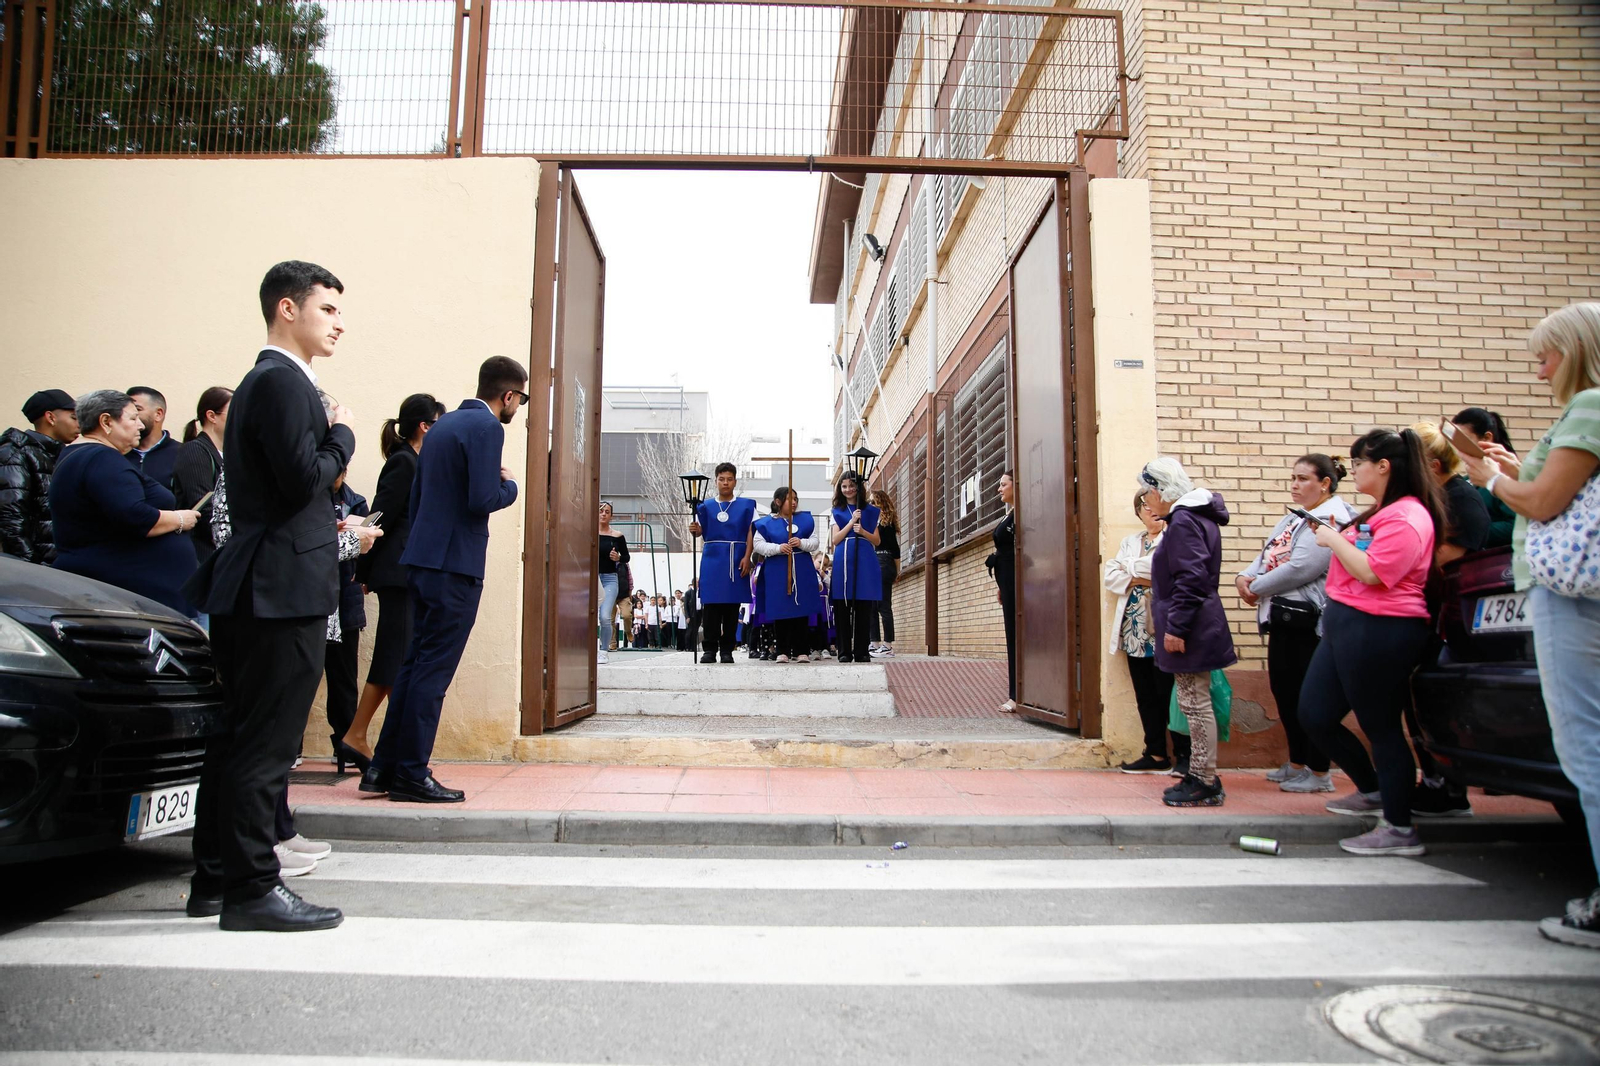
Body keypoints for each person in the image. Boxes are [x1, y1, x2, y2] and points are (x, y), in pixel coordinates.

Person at [183, 260, 356, 933]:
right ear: (288, 309)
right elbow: (299, 481)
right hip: (279, 588)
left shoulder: (263, 383)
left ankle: (215, 878)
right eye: (329, 309)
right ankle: (253, 887)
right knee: (266, 743)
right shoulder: (284, 383)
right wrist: (341, 434)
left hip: (258, 580)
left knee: (237, 738)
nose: (340, 323)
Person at [1458, 302, 1600, 948]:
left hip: (1568, 594)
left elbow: (1544, 504)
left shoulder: (1590, 407)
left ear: (1577, 350)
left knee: (1584, 746)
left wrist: (1492, 478)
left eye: (1546, 355)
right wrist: (1516, 469)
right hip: (1568, 593)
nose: (1539, 370)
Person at [362, 355, 526, 804]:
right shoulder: (488, 428)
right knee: (432, 674)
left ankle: (383, 768)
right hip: (456, 566)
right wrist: (509, 486)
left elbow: (418, 500)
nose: (519, 407)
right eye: (522, 399)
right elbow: (481, 498)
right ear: (507, 395)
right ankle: (412, 773)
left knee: (414, 666)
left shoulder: (442, 427)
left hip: (421, 562)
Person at [1299, 428, 1446, 857]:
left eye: (1359, 462)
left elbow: (1376, 573)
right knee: (1315, 713)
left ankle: (1399, 828)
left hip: (1380, 629)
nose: (1354, 470)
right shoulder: (1381, 511)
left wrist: (1333, 540)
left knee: (1381, 727)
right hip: (1347, 625)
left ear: (1384, 467)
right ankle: (1374, 789)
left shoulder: (1407, 516)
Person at [1236, 454, 1356, 793]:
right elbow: (1267, 554)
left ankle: (1320, 773)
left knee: (1308, 697)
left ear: (1325, 484)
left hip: (1311, 623)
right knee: (1286, 693)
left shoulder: (1332, 517)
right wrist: (1243, 576)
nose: (1294, 485)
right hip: (1285, 618)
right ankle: (1298, 762)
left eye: (1303, 479)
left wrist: (1255, 588)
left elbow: (1304, 565)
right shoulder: (1295, 519)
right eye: (1293, 477)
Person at [346, 393, 438, 769]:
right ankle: (359, 735)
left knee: (395, 656)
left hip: (403, 571)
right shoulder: (404, 462)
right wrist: (363, 568)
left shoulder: (414, 460)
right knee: (393, 656)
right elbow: (379, 513)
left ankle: (363, 736)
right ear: (424, 426)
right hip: (396, 573)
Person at [48, 389, 201, 616]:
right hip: (135, 601)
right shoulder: (101, 458)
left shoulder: (79, 454)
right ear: (106, 422)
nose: (140, 425)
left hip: (129, 593)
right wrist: (180, 518)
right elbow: (136, 517)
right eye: (132, 418)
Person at [1142, 457, 1237, 808]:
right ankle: (1201, 774)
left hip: (1191, 626)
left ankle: (1203, 780)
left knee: (1195, 704)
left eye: (1147, 494)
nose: (1147, 502)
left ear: (1160, 490)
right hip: (1197, 622)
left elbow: (1191, 577)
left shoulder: (1183, 520)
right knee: (1195, 702)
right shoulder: (1195, 516)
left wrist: (1177, 627)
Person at [1106, 488, 1186, 774]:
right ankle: (1155, 754)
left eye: (1153, 503)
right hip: (1134, 630)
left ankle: (1183, 755)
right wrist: (1141, 575)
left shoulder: (1174, 537)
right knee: (1146, 695)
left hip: (1165, 628)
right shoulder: (1131, 542)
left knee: (1173, 694)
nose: (1150, 509)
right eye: (1143, 505)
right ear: (1138, 512)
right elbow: (1110, 576)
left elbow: (1164, 570)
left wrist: (1131, 572)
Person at [324, 466, 370, 774]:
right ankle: (292, 745)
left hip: (346, 597)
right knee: (301, 674)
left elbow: (366, 549)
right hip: (316, 596)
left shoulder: (356, 501)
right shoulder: (309, 499)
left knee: (343, 677)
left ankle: (345, 742)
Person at [688, 462, 757, 663]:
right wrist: (694, 530)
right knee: (711, 607)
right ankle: (709, 649)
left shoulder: (747, 505)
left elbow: (751, 531)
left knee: (731, 606)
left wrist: (747, 556)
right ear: (716, 481)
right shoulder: (704, 506)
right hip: (712, 559)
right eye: (721, 479)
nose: (725, 483)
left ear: (735, 481)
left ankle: (727, 650)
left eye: (729, 479)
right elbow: (700, 530)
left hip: (736, 558)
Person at [0, 388, 78, 563]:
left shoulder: (62, 454)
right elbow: (10, 518)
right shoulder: (14, 453)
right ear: (51, 418)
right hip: (39, 570)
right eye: (73, 417)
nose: (79, 424)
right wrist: (32, 566)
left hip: (63, 563)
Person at [754, 487, 823, 662]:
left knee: (801, 608)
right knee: (780, 608)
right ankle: (782, 650)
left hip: (801, 568)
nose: (793, 502)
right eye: (788, 499)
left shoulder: (805, 520)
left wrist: (801, 543)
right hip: (777, 569)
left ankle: (801, 650)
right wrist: (778, 548)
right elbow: (758, 544)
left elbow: (815, 542)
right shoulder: (766, 523)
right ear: (778, 502)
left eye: (795, 498)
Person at [171, 386, 233, 566]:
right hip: (203, 555)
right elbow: (204, 509)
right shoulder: (195, 451)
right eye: (234, 412)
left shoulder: (228, 453)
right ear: (212, 416)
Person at [829, 469, 882, 664]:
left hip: (865, 559)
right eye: (844, 486)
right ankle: (844, 651)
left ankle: (861, 651)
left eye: (851, 485)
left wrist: (863, 531)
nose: (848, 489)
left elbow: (876, 540)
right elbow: (835, 539)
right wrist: (851, 523)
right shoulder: (837, 511)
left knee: (863, 606)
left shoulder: (869, 510)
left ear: (858, 487)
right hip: (844, 560)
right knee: (843, 607)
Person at [1452, 407, 1518, 548]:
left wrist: (1469, 532)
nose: (1459, 449)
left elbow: (1515, 525)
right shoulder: (1465, 480)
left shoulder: (1507, 475)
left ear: (1487, 438)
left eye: (1464, 440)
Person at [986, 471, 1017, 710]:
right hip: (1007, 582)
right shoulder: (1010, 514)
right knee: (1011, 635)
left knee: (1017, 636)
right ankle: (1016, 694)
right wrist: (1001, 586)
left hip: (1017, 582)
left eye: (1003, 484)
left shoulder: (1021, 516)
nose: (999, 489)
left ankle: (1017, 696)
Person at [124, 386, 181, 491]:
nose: (131, 415)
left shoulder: (182, 453)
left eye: (137, 409)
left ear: (158, 414)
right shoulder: (117, 453)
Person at [867, 489, 901, 658]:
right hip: (876, 563)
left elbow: (895, 550)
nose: (871, 505)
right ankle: (874, 643)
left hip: (884, 562)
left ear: (882, 504)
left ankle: (887, 645)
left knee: (883, 605)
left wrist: (897, 570)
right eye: (870, 502)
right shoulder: (876, 522)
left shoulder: (885, 524)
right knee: (872, 605)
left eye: (874, 502)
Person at [597, 501, 629, 664]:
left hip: (610, 578)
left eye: (607, 511)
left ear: (611, 515)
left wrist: (618, 558)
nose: (603, 514)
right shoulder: (588, 533)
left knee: (605, 616)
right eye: (601, 511)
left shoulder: (617, 536)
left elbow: (626, 557)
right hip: (592, 577)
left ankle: (604, 650)